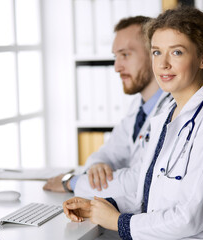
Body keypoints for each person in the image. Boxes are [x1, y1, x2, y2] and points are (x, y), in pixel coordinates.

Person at [62, 5, 203, 240]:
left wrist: (117, 221)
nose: (163, 64)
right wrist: (99, 206)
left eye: (176, 52)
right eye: (157, 52)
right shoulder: (167, 113)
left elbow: (190, 217)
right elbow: (147, 195)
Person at [43, 16, 172, 197]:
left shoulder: (173, 111)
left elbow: (140, 181)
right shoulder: (138, 108)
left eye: (125, 55)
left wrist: (72, 182)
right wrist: (97, 167)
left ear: (154, 53)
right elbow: (107, 153)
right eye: (116, 57)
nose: (117, 67)